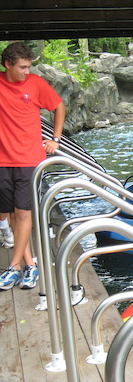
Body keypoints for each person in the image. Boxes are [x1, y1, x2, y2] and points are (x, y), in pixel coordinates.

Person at [0, 42, 66, 290]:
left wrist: (55, 139)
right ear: (8, 64)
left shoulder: (36, 84)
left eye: (29, 67)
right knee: (15, 213)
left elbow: (59, 106)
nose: (27, 72)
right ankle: (31, 264)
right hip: (2, 160)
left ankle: (14, 266)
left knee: (24, 213)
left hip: (29, 159)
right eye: (22, 67)